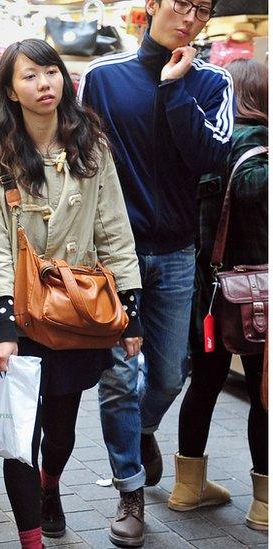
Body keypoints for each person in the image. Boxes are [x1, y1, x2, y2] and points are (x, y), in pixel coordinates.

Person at [0, 39, 144, 549]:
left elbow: (114, 229)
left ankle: (51, 489)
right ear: (10, 89)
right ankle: (32, 541)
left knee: (62, 427)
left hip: (76, 310)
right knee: (20, 438)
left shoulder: (92, 149)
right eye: (29, 75)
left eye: (50, 72)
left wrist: (130, 312)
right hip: (20, 316)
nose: (43, 83)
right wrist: (2, 326)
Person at [78, 0, 234, 544]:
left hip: (174, 252)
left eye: (203, 10)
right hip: (109, 256)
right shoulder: (102, 77)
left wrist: (174, 88)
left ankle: (142, 430)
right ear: (152, 7)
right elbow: (81, 158)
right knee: (119, 377)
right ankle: (130, 490)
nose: (189, 17)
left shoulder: (212, 82)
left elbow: (211, 159)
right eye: (181, 4)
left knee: (169, 373)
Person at [171, 58, 268, 531]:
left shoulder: (208, 151)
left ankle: (187, 487)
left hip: (208, 296)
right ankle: (264, 504)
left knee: (204, 386)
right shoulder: (263, 158)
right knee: (263, 393)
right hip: (259, 302)